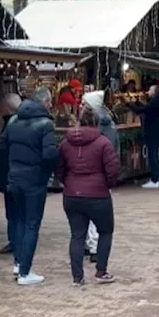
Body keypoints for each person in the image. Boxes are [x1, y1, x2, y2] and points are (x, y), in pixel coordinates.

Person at [0, 87, 59, 285]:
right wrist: (48, 171)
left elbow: (2, 145)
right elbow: (50, 154)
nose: (51, 106)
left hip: (14, 177)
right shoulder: (46, 124)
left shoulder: (14, 120)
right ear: (45, 103)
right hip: (34, 180)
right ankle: (25, 271)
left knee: (18, 221)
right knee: (32, 224)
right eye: (50, 102)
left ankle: (18, 263)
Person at [57, 104, 120, 285]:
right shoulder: (103, 143)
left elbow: (59, 168)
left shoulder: (65, 143)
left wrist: (66, 182)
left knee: (77, 235)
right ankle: (101, 271)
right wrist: (107, 184)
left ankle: (78, 277)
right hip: (98, 195)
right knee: (105, 231)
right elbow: (112, 169)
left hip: (72, 194)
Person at [80, 90, 119, 258]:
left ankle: (94, 246)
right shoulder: (108, 125)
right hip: (97, 177)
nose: (80, 106)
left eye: (83, 103)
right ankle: (90, 244)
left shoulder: (102, 127)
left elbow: (109, 154)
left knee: (94, 217)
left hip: (96, 176)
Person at [0, 93, 22, 256]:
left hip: (12, 174)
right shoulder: (14, 122)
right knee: (14, 210)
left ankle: (17, 241)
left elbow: (6, 147)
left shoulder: (13, 123)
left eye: (2, 105)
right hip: (14, 173)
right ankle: (15, 240)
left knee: (15, 210)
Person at [132, 84, 159, 188]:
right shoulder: (157, 102)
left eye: (150, 90)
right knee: (153, 155)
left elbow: (141, 110)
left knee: (152, 156)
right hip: (154, 132)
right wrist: (136, 102)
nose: (148, 91)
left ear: (155, 92)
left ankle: (155, 180)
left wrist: (129, 103)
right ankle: (155, 179)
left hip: (152, 133)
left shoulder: (155, 102)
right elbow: (145, 107)